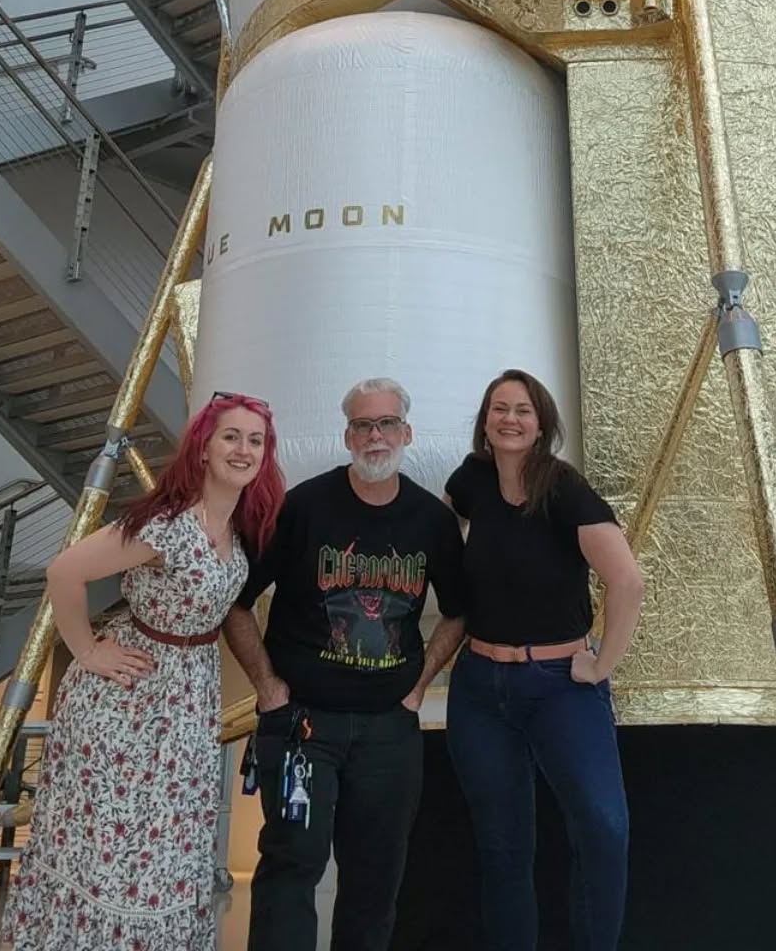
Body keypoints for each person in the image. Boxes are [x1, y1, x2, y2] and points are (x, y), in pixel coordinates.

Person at [4, 394, 284, 951]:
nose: (243, 449)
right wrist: (86, 650)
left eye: (255, 440)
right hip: (129, 702)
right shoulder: (167, 524)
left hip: (186, 700)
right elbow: (65, 571)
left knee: (169, 846)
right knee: (113, 844)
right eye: (231, 436)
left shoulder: (237, 530)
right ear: (203, 448)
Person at [224, 376, 468, 951]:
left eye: (386, 424)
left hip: (389, 732)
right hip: (303, 725)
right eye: (363, 424)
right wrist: (267, 687)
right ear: (348, 435)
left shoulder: (430, 520)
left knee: (376, 879)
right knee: (291, 868)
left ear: (405, 432)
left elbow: (458, 613)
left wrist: (419, 687)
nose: (375, 435)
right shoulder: (304, 507)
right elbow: (233, 600)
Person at [444, 369, 645, 951]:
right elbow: (436, 528)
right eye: (499, 408)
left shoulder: (563, 489)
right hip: (481, 687)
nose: (510, 419)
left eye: (523, 410)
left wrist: (600, 665)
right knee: (502, 846)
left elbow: (626, 582)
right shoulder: (473, 480)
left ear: (541, 424)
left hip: (559, 684)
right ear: (486, 419)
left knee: (604, 830)